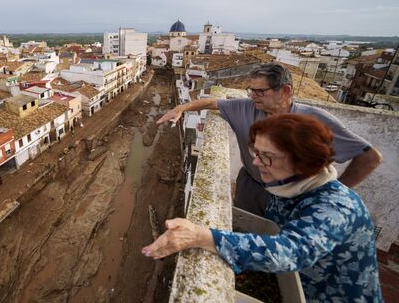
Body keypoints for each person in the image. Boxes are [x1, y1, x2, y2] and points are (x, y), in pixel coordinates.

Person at [142, 114, 383, 302]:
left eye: (267, 156)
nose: (256, 163)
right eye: (256, 153)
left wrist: (201, 236)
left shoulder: (337, 208)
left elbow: (290, 252)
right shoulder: (289, 185)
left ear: (303, 162)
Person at [157, 63, 382, 215]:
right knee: (244, 229)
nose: (252, 96)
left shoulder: (313, 120)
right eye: (251, 90)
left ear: (284, 91)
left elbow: (370, 157)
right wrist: (180, 109)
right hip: (251, 189)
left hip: (294, 198)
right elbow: (211, 103)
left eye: (260, 91)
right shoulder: (246, 107)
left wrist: (337, 191)